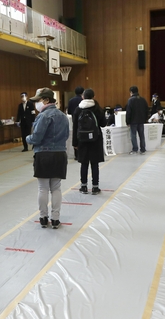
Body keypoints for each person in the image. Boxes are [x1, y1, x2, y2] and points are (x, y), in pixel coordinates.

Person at [26, 88, 69, 229]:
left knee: (42, 188)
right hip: (60, 154)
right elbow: (66, 136)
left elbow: (36, 137)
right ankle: (55, 219)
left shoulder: (43, 116)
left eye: (38, 101)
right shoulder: (63, 116)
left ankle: (43, 217)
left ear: (45, 100)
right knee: (56, 188)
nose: (36, 104)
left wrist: (27, 138)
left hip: (43, 154)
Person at [72, 89, 106, 195]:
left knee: (84, 163)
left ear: (83, 96)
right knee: (94, 164)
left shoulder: (78, 109)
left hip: (82, 140)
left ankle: (83, 187)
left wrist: (75, 143)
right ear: (93, 96)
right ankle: (95, 187)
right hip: (95, 139)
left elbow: (75, 127)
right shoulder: (97, 108)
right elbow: (104, 123)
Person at [126, 86, 149, 155]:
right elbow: (147, 110)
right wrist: (145, 119)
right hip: (141, 120)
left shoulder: (131, 100)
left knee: (133, 135)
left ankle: (135, 149)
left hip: (133, 121)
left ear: (131, 92)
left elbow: (128, 112)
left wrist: (127, 121)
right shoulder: (143, 99)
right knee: (141, 135)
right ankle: (143, 149)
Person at [68, 86, 84, 160]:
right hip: (83, 120)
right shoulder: (83, 100)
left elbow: (68, 111)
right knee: (83, 135)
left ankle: (76, 154)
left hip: (74, 120)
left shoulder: (71, 100)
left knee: (75, 135)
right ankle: (82, 153)